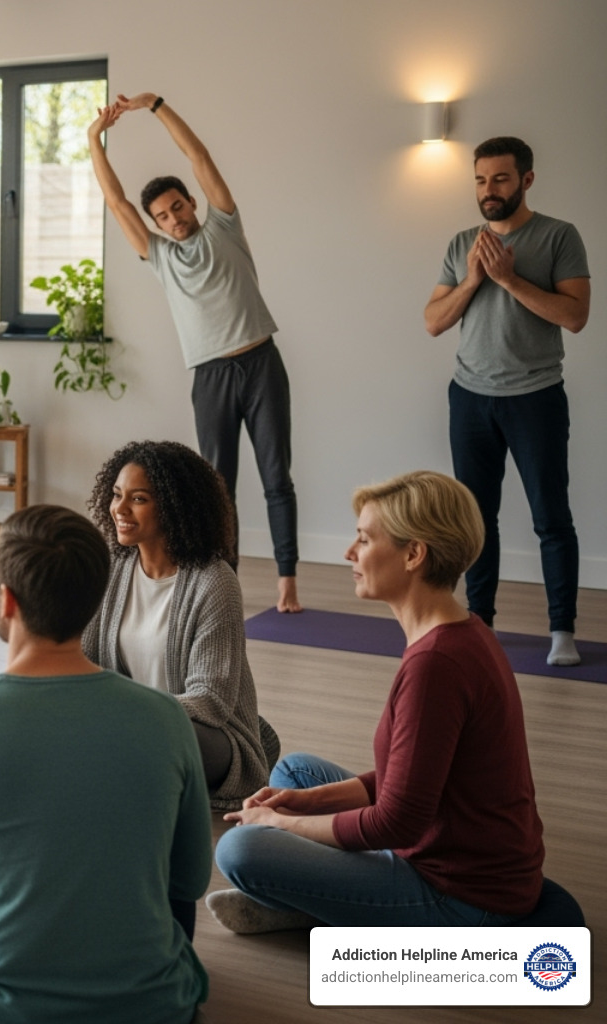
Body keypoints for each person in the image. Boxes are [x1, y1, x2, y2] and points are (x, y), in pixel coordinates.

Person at [0, 504, 212, 1024]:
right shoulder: (167, 717)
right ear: (94, 599)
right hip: (158, 1009)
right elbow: (189, 882)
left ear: (6, 599)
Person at [209, 471, 544, 933]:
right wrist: (300, 802)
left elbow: (396, 823)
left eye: (364, 540)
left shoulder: (437, 664)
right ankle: (323, 896)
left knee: (239, 850)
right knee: (296, 774)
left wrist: (280, 824)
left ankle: (316, 904)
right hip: (443, 842)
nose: (349, 552)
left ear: (413, 554)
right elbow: (411, 779)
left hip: (462, 898)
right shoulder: (459, 631)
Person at [87, 92, 301, 614]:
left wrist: (156, 105)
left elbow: (198, 156)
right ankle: (225, 583)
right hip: (211, 377)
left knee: (277, 478)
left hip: (261, 363)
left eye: (178, 207)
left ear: (192, 202)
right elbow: (116, 201)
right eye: (162, 216)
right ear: (156, 224)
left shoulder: (225, 226)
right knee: (218, 488)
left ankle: (288, 583)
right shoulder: (160, 256)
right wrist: (95, 138)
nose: (174, 218)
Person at [423, 136, 591, 667]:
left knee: (551, 518)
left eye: (499, 178)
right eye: (480, 180)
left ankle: (562, 631)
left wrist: (508, 279)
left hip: (535, 398)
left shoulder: (559, 236)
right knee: (476, 519)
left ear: (526, 180)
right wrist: (475, 278)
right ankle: (482, 623)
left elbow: (575, 316)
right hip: (470, 398)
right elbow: (433, 320)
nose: (488, 190)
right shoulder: (462, 244)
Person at [80, 440, 270, 808]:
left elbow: (210, 700)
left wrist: (124, 712)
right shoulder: (112, 568)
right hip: (128, 727)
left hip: (203, 735)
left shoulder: (215, 581)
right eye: (117, 495)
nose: (119, 508)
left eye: (138, 499)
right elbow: (83, 661)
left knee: (148, 738)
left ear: (173, 506)